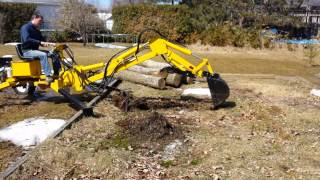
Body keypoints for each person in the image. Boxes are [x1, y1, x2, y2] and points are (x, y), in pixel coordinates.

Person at [20, 12, 55, 83]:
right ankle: (48, 76)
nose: (41, 23)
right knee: (43, 55)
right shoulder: (25, 27)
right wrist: (40, 42)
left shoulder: (36, 30)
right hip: (27, 51)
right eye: (40, 21)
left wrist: (48, 43)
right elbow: (27, 39)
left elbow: (42, 41)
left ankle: (57, 72)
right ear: (34, 18)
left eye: (41, 21)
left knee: (54, 54)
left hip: (35, 51)